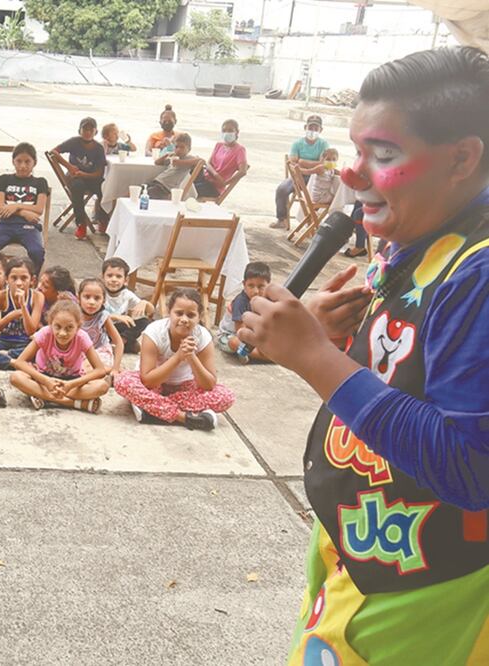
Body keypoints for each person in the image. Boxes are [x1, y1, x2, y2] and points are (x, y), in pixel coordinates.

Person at [236, 47, 489, 664]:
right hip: (365, 541)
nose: (351, 174)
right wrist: (335, 342)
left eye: (384, 154)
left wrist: (317, 360)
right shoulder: (419, 231)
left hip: (427, 582)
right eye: (355, 150)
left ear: (462, 159)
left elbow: (473, 466)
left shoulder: (479, 275)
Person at [114, 288, 234, 430]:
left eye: (191, 315)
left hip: (185, 387)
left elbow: (209, 384)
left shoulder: (203, 337)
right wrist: (178, 357)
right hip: (154, 386)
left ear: (199, 316)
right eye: (179, 313)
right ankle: (183, 417)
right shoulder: (154, 332)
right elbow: (148, 381)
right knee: (123, 381)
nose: (184, 320)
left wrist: (191, 357)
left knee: (226, 396)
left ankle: (152, 410)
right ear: (169, 312)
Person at [10, 300, 109, 412]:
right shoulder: (45, 333)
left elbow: (100, 370)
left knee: (102, 386)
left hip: (71, 380)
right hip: (44, 377)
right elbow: (20, 362)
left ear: (78, 327)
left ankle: (45, 398)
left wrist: (71, 384)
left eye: (69, 327)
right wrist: (46, 381)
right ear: (50, 324)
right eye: (57, 327)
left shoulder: (82, 337)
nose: (62, 333)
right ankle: (73, 403)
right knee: (16, 377)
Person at [0, 142, 49, 270]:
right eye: (19, 161)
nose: (23, 166)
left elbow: (39, 209)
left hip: (29, 226)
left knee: (37, 252)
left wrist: (15, 206)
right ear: (13, 161)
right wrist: (23, 212)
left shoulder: (40, 182)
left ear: (34, 162)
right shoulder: (4, 179)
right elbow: (0, 207)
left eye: (27, 162)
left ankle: (31, 277)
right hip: (5, 224)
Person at [51, 117, 107, 239]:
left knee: (105, 187)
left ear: (96, 132)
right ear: (79, 130)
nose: (88, 132)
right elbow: (53, 151)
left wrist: (84, 174)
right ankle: (81, 223)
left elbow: (99, 173)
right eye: (85, 129)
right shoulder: (74, 142)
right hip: (76, 178)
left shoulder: (98, 148)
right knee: (77, 187)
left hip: (91, 177)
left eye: (91, 130)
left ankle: (102, 220)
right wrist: (69, 166)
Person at [272, 113, 329, 230]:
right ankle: (281, 219)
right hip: (298, 176)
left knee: (321, 195)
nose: (313, 131)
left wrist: (303, 162)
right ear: (305, 127)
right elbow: (293, 162)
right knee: (281, 190)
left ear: (321, 130)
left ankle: (312, 221)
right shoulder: (297, 143)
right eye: (310, 127)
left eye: (316, 128)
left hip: (316, 177)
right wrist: (310, 164)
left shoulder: (323, 144)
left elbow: (323, 163)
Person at [0, 256, 45, 369]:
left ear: (32, 280)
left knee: (40, 348)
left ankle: (4, 357)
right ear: (7, 279)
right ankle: (13, 362)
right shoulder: (0, 296)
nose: (19, 283)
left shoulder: (37, 297)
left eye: (24, 278)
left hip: (24, 342)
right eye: (14, 278)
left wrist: (23, 306)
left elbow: (31, 331)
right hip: (3, 340)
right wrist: (10, 316)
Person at [217, 262, 271, 363]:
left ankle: (258, 353)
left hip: (253, 336)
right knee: (234, 342)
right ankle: (264, 357)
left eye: (261, 286)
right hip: (230, 336)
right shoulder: (240, 302)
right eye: (251, 286)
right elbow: (240, 331)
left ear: (268, 286)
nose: (256, 291)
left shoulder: (266, 300)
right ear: (244, 285)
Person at [101, 257, 153, 352]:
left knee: (143, 321)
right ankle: (125, 346)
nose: (114, 279)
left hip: (118, 329)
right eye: (109, 275)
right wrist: (116, 317)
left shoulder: (127, 294)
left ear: (126, 280)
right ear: (102, 277)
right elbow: (95, 316)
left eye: (118, 276)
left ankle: (120, 342)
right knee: (135, 347)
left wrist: (144, 303)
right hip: (102, 327)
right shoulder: (99, 292)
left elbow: (151, 311)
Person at [77, 278, 124, 373]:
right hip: (79, 351)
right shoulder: (73, 315)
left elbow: (118, 342)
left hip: (99, 350)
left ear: (103, 300)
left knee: (88, 369)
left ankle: (108, 369)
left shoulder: (103, 317)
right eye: (87, 297)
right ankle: (104, 370)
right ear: (78, 297)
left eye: (97, 298)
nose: (91, 302)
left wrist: (115, 368)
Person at [194, 119, 249, 200]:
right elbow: (209, 164)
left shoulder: (239, 150)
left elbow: (243, 171)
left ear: (237, 132)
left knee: (189, 189)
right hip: (206, 178)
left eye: (230, 130)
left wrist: (225, 183)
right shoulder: (219, 145)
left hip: (215, 187)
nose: (226, 133)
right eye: (224, 131)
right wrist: (215, 174)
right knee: (183, 178)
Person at [146, 132, 202, 200]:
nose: (178, 149)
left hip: (166, 187)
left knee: (147, 194)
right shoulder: (173, 157)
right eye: (176, 147)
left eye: (182, 147)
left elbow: (201, 161)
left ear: (189, 149)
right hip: (158, 182)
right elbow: (157, 162)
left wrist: (180, 162)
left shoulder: (189, 158)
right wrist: (167, 155)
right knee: (142, 190)